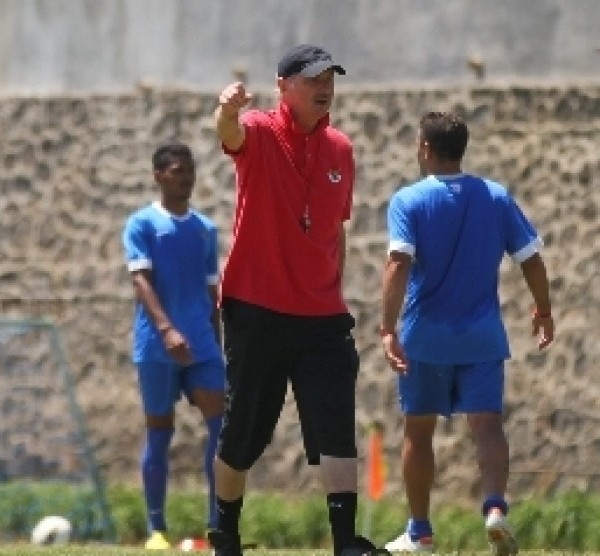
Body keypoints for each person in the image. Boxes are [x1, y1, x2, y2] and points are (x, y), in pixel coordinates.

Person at [209, 44, 377, 556]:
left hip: (322, 316)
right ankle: (225, 531)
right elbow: (229, 135)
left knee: (335, 424)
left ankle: (346, 542)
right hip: (256, 309)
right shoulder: (258, 130)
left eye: (330, 78)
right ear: (283, 86)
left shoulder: (340, 150)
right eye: (312, 79)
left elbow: (335, 229)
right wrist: (225, 110)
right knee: (246, 432)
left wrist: (333, 288)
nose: (325, 87)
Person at [380, 112, 554, 555]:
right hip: (481, 335)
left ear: (424, 149)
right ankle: (495, 507)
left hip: (426, 336)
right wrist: (544, 310)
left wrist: (386, 327)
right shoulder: (495, 196)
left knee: (418, 433)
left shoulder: (409, 200)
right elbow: (531, 258)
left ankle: (420, 531)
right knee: (488, 425)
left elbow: (398, 264)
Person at [122, 142, 226, 550]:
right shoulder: (142, 224)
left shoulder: (204, 229)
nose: (186, 177)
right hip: (156, 346)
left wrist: (217, 345)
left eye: (190, 170)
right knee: (160, 433)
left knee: (222, 428)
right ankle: (156, 529)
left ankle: (219, 524)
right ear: (159, 175)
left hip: (201, 345)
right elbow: (140, 281)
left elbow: (211, 291)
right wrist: (166, 329)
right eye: (178, 170)